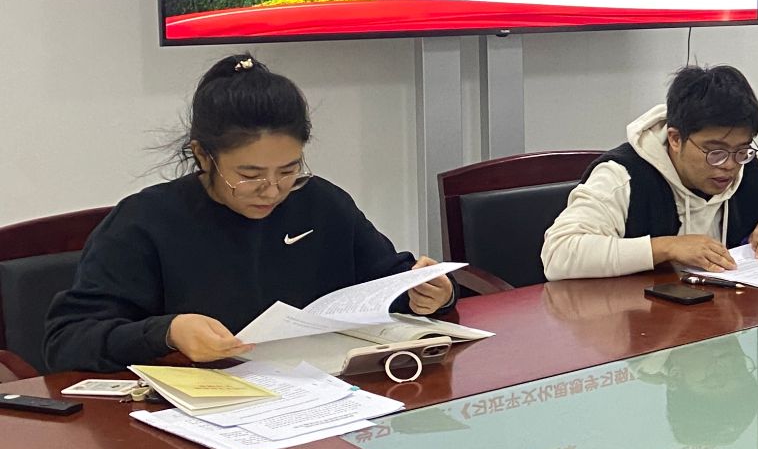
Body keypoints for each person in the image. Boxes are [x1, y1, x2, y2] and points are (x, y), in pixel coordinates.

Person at [43, 54, 452, 374]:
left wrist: (429, 294)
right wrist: (166, 332)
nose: (272, 190)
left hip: (321, 398)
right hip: (196, 419)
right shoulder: (145, 221)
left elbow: (387, 281)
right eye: (249, 175)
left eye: (288, 170)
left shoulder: (322, 203)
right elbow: (68, 339)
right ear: (203, 155)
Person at [542, 64, 758, 280]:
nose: (729, 165)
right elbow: (559, 253)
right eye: (715, 151)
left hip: (723, 318)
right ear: (676, 139)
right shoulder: (623, 177)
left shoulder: (752, 168)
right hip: (640, 326)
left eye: (741, 150)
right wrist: (667, 248)